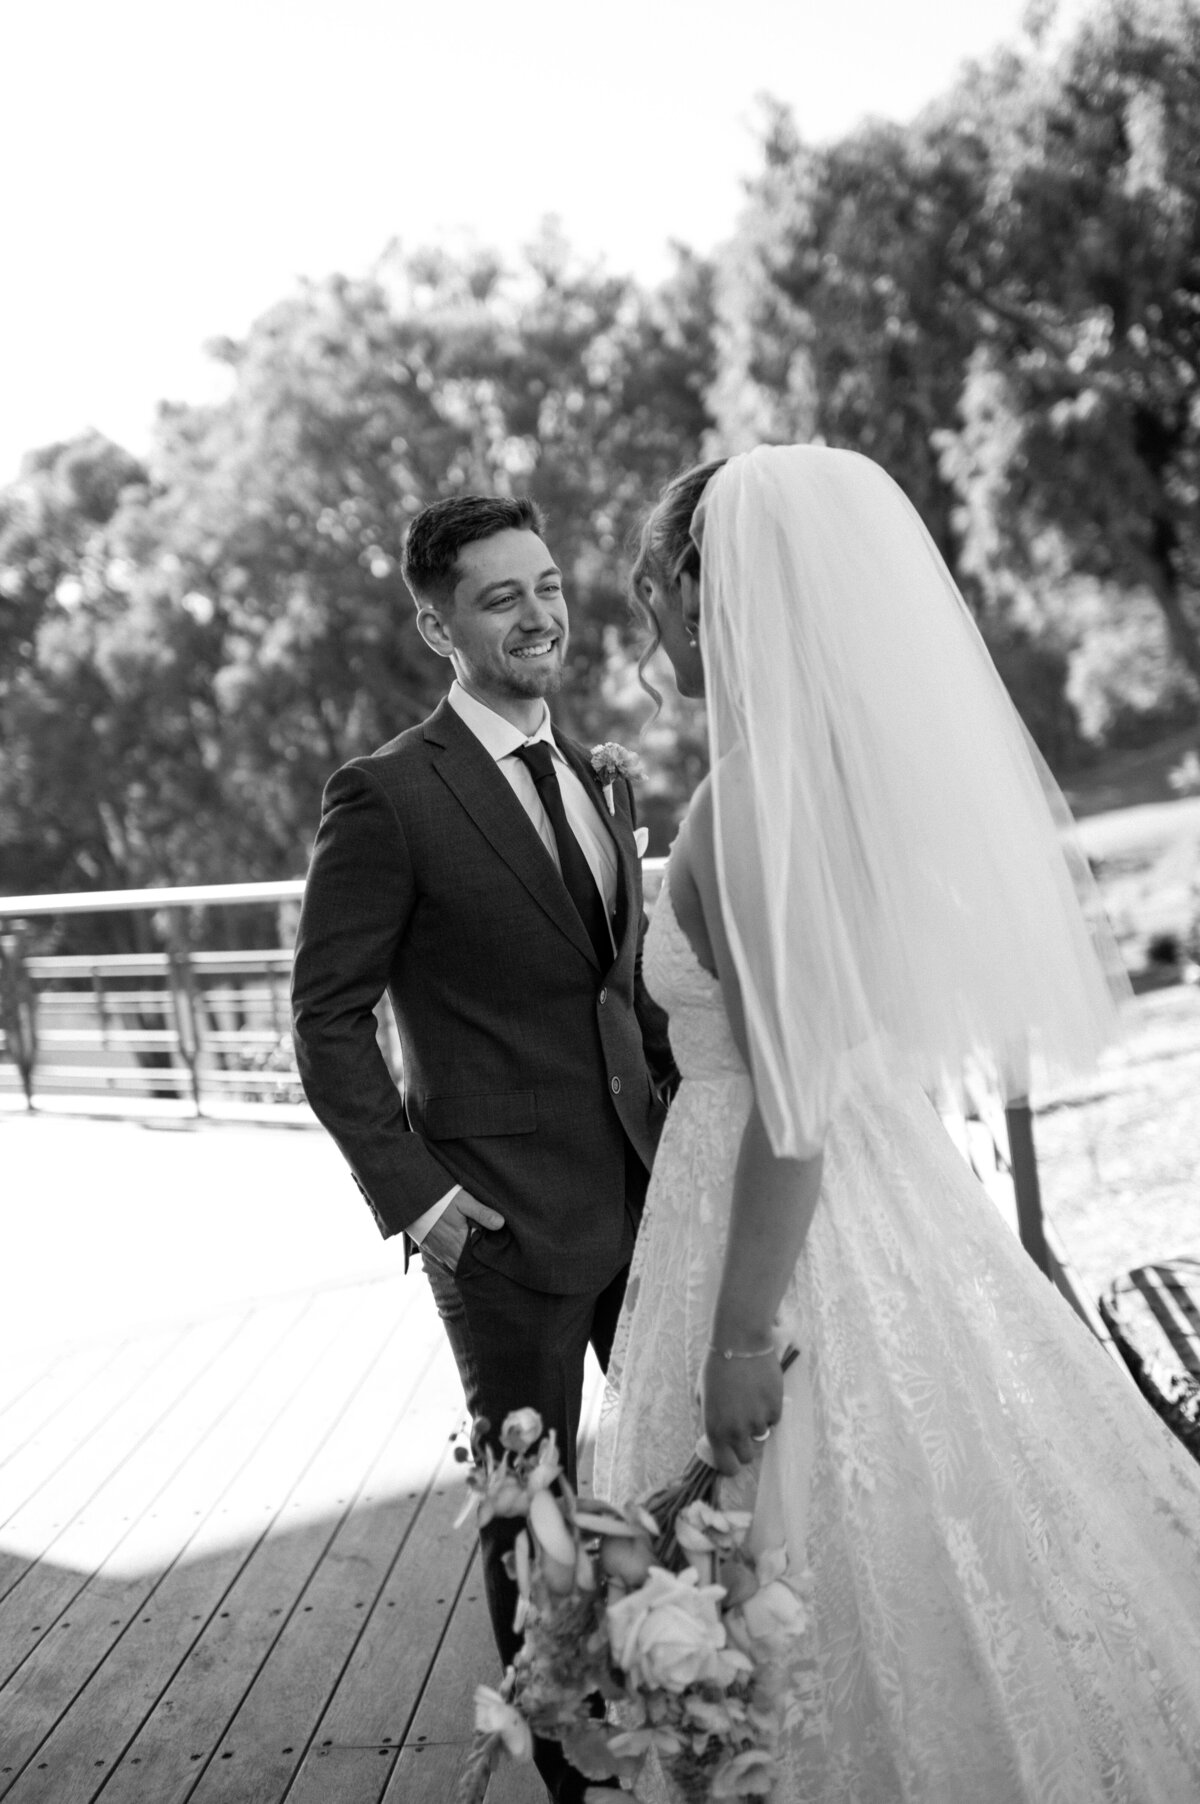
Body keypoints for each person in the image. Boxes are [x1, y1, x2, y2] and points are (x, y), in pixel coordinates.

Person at [595, 446, 1200, 1801]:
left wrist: (740, 1339)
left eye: (656, 594)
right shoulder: (832, 778)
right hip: (882, 1190)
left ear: (720, 598)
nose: (648, 626)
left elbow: (792, 1105)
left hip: (788, 1234)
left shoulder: (747, 805)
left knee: (816, 1574)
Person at [291, 492, 672, 1804]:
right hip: (495, 1226)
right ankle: (576, 1773)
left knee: (686, 1464)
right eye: (500, 595)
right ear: (438, 624)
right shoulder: (386, 796)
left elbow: (617, 989)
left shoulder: (601, 777)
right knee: (534, 1515)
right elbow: (324, 1023)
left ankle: (689, 1706)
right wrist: (423, 1203)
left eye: (549, 584)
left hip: (644, 1189)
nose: (539, 613)